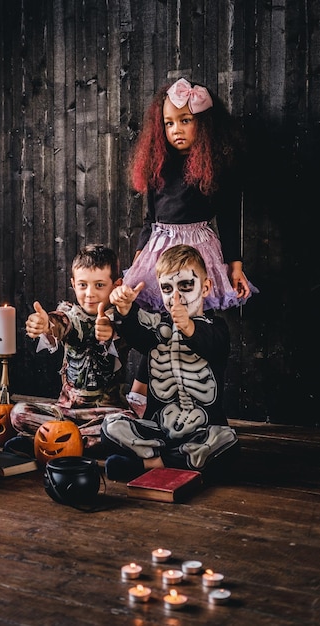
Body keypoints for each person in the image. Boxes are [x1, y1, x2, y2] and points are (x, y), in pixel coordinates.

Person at [123, 76, 258, 410]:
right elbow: (150, 219)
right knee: (159, 323)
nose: (176, 129)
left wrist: (235, 266)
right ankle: (141, 390)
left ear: (204, 124)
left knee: (191, 319)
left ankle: (199, 397)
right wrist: (139, 257)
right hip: (159, 249)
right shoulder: (159, 164)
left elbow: (228, 218)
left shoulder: (216, 166)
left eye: (185, 121)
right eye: (169, 123)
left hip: (197, 249)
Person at [101, 244, 240, 482]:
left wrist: (188, 326)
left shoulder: (217, 329)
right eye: (167, 288)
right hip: (159, 431)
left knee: (227, 442)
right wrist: (125, 310)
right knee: (109, 427)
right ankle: (175, 461)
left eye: (186, 286)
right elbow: (137, 333)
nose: (176, 297)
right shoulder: (157, 328)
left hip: (202, 431)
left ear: (205, 287)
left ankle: (151, 463)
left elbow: (213, 344)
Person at [8, 244, 134, 455]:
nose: (89, 293)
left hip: (105, 412)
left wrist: (111, 331)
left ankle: (49, 442)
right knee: (19, 413)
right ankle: (78, 442)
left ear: (116, 285)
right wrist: (46, 324)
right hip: (65, 413)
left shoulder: (122, 319)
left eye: (99, 285)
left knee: (125, 424)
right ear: (73, 284)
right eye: (83, 285)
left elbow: (121, 334)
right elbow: (61, 323)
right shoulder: (72, 315)